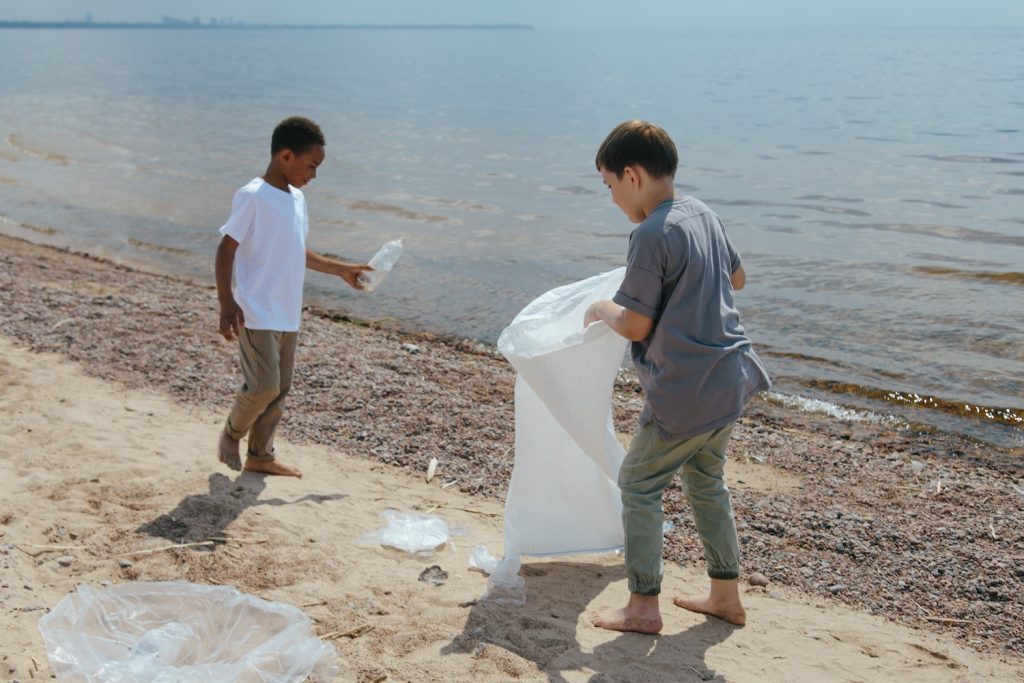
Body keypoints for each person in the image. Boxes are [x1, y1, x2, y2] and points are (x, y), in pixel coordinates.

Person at [584, 120, 771, 634]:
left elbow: (636, 323)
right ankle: (725, 597)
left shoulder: (648, 234)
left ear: (632, 175)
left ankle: (643, 606)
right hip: (731, 377)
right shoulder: (702, 213)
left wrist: (602, 307)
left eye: (610, 187)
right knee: (707, 480)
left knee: (638, 483)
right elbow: (737, 278)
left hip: (686, 391)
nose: (613, 199)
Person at [215, 116, 372, 478]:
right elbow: (227, 247)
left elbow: (297, 251)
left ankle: (261, 455)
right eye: (312, 166)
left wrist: (342, 269)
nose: (314, 175)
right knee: (263, 385)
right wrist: (227, 301)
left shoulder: (297, 200)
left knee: (280, 389)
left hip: (287, 312)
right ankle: (231, 433)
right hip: (254, 310)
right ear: (286, 156)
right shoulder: (253, 196)